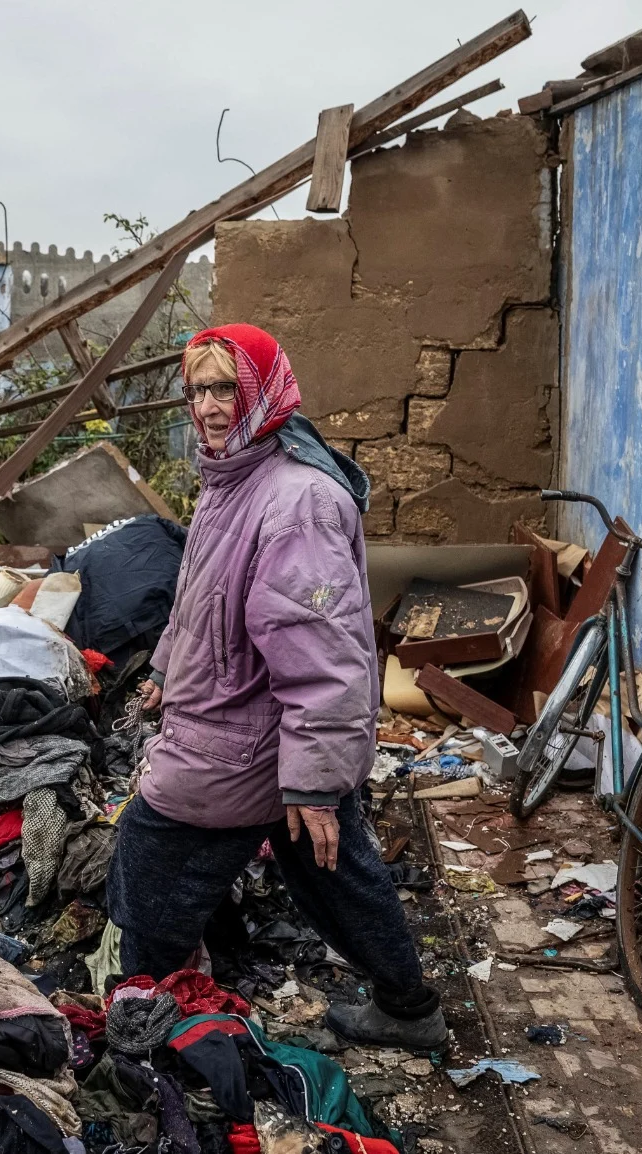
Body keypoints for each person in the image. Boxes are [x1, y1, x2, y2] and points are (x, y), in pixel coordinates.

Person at [107, 323, 446, 1052]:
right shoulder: (233, 480)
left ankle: (150, 1010)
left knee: (150, 855)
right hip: (255, 733)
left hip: (242, 741)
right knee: (334, 871)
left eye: (226, 386)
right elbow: (201, 595)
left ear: (264, 390)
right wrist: (167, 668)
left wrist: (315, 783)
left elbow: (324, 654)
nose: (209, 405)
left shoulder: (296, 501)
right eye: (197, 389)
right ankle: (410, 1009)